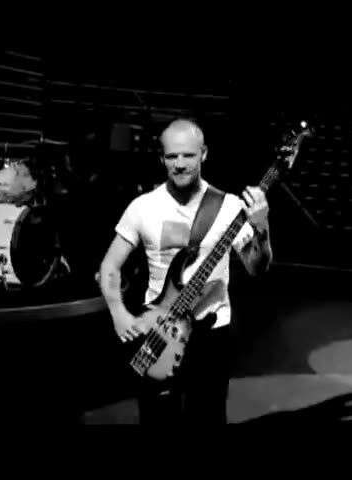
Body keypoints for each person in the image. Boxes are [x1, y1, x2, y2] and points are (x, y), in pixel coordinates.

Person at [99, 118, 273, 424]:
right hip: (157, 331)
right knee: (156, 419)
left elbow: (256, 268)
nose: (180, 164)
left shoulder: (228, 207)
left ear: (204, 154)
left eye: (188, 155)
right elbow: (109, 267)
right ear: (161, 158)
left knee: (207, 417)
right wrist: (118, 314)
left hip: (210, 333)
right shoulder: (142, 207)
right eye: (172, 156)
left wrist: (262, 228)